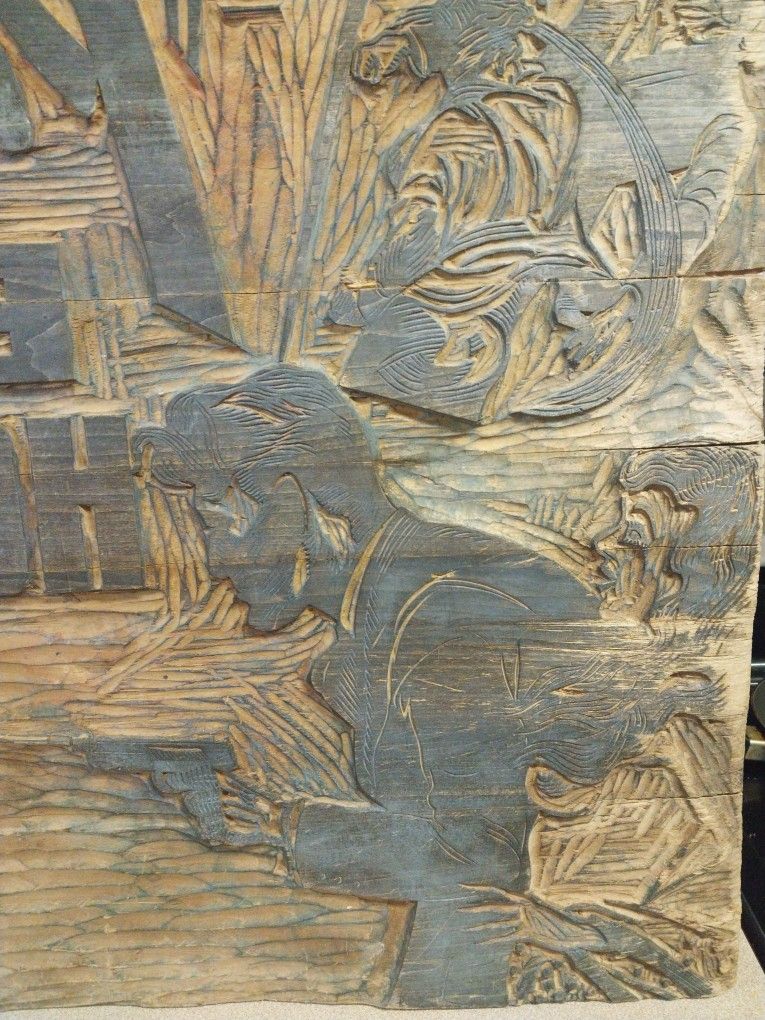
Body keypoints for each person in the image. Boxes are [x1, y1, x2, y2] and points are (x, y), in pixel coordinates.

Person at [135, 365, 712, 1006]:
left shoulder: (445, 615)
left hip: (534, 940)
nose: (216, 563)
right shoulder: (398, 595)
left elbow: (467, 854)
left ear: (292, 501)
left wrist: (281, 825)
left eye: (219, 526)